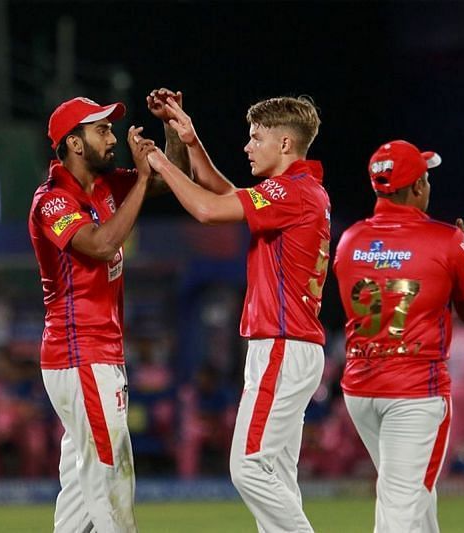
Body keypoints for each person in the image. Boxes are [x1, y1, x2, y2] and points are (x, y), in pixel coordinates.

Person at [146, 95, 328, 531]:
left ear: (285, 143)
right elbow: (228, 196)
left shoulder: (290, 191)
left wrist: (161, 163)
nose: (248, 146)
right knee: (277, 475)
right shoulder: (298, 191)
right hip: (291, 346)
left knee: (248, 468)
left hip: (283, 345)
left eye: (256, 138)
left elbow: (209, 210)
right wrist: (191, 142)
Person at [28, 91, 188, 532]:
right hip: (80, 354)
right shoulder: (53, 200)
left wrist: (172, 130)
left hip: (94, 355)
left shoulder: (103, 185)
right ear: (74, 144)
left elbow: (169, 179)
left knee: (83, 490)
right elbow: (99, 245)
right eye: (101, 130)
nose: (113, 137)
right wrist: (139, 179)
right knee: (112, 475)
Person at [333, 140, 464, 532]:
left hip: (361, 390)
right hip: (415, 392)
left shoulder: (350, 239)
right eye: (426, 177)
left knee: (415, 496)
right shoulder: (448, 240)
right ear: (418, 187)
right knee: (402, 504)